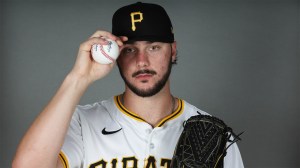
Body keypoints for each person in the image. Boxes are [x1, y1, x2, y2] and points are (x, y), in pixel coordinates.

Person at [12, 2, 244, 168]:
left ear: (173, 50)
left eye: (153, 47)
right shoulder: (82, 124)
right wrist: (78, 78)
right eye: (130, 49)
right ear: (116, 56)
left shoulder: (212, 135)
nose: (141, 61)